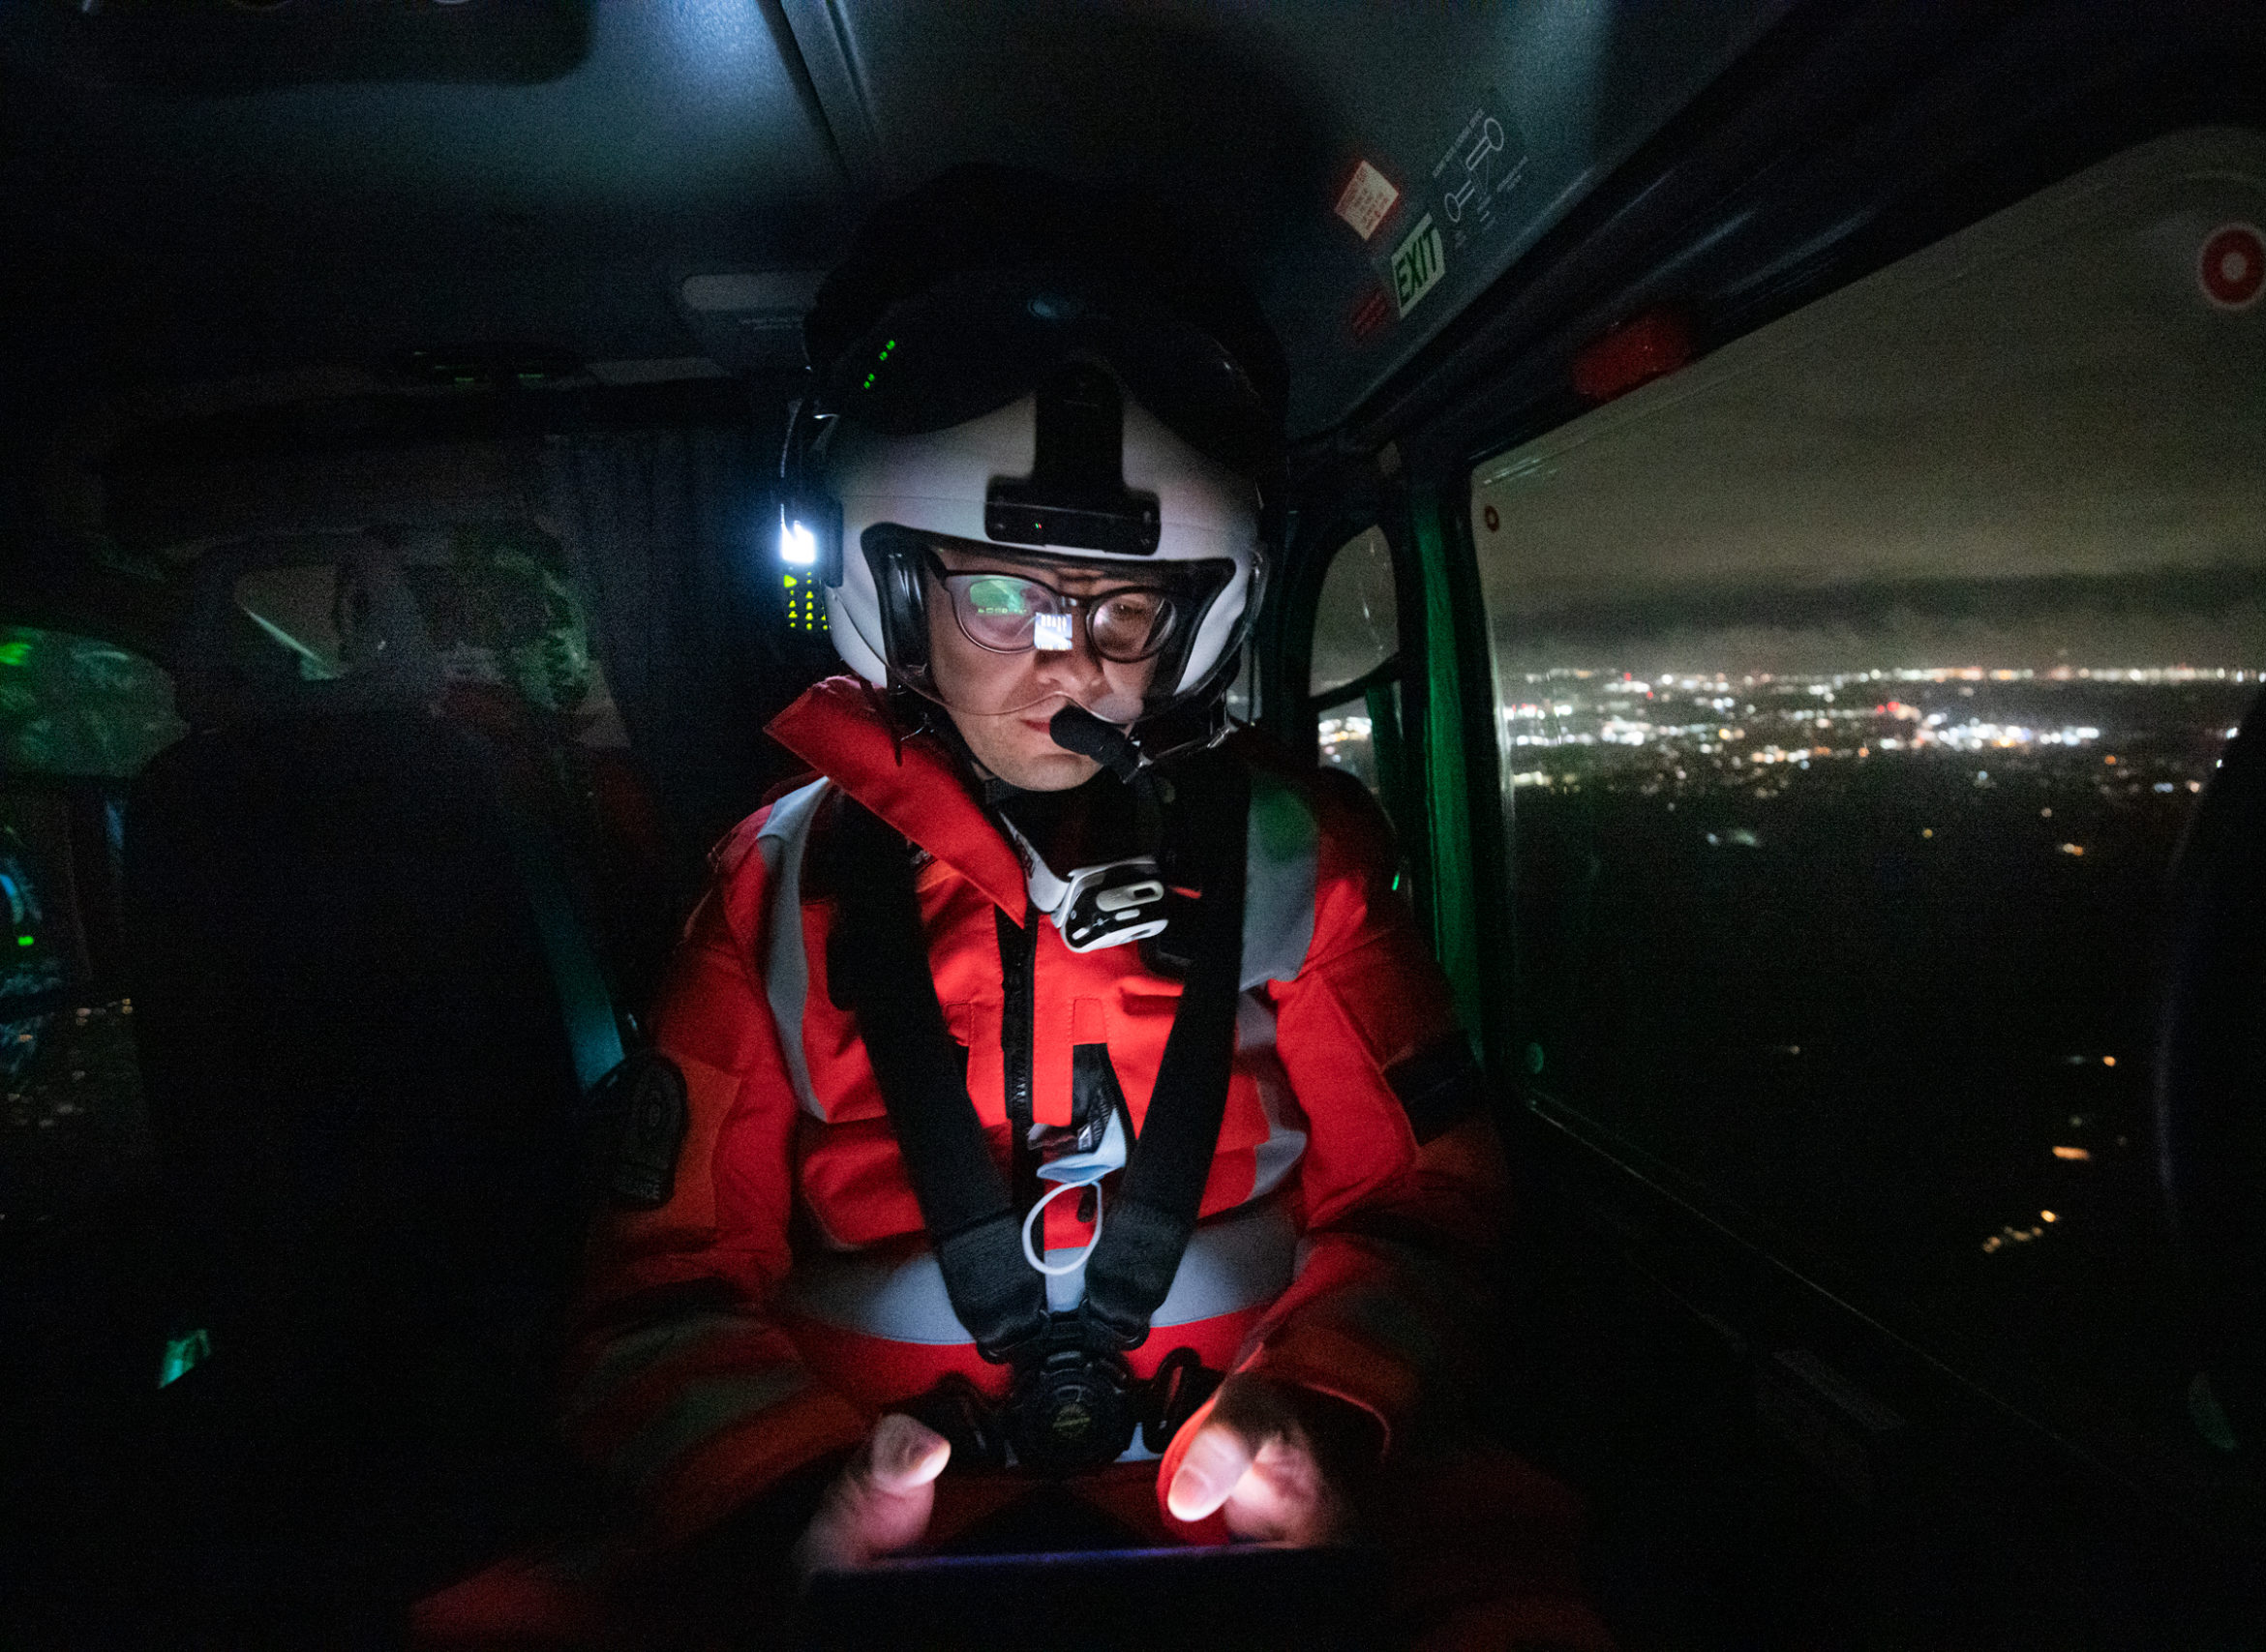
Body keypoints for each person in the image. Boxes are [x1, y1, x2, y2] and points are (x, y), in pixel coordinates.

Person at [415, 168, 1610, 1652]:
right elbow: (654, 1292)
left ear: (1202, 619)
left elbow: (1427, 1209)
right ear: (891, 601)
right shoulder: (773, 885)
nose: (1070, 668)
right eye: (998, 601)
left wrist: (1319, 1411)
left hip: (1246, 1502)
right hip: (859, 1521)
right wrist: (802, 1502)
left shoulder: (1307, 861)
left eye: (1125, 610)